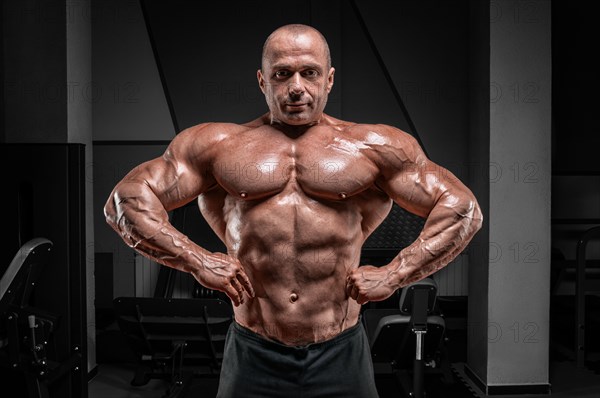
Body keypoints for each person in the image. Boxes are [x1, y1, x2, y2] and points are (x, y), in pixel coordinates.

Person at [104, 23, 482, 398]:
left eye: (310, 73)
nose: (296, 87)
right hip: (254, 347)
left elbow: (462, 209)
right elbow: (127, 200)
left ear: (329, 79)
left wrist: (395, 274)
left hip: (341, 347)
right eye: (282, 74)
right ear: (262, 80)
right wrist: (197, 261)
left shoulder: (374, 146)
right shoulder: (216, 146)